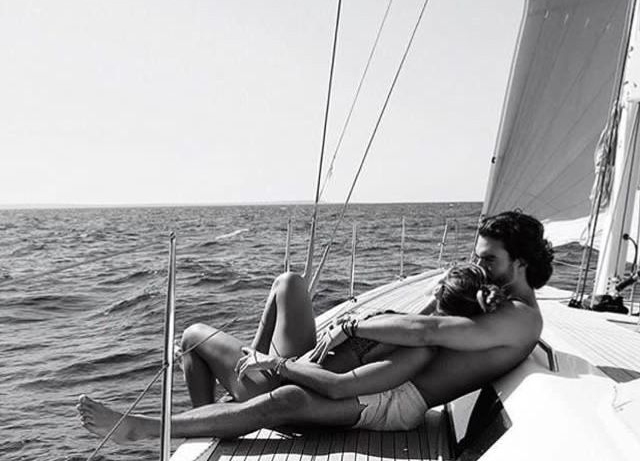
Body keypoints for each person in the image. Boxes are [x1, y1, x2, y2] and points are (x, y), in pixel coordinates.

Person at [77, 210, 553, 441]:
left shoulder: (517, 318)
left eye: (487, 260)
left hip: (392, 394)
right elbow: (430, 318)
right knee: (288, 284)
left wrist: (351, 330)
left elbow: (427, 333)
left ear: (522, 262)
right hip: (376, 373)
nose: (479, 267)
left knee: (282, 397)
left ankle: (146, 428)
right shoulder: (496, 299)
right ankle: (224, 412)